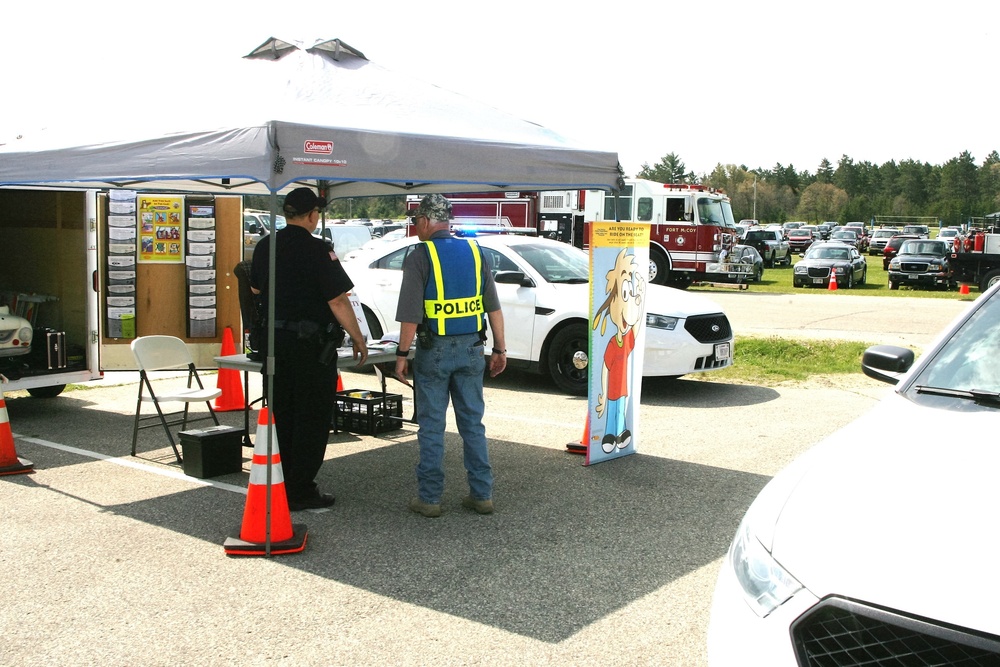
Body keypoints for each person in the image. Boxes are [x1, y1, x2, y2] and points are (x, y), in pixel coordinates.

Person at [250, 187, 368, 511]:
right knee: (311, 418)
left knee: (282, 415)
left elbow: (255, 289)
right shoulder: (318, 250)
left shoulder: (265, 246)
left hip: (275, 346)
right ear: (313, 215)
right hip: (310, 349)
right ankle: (300, 489)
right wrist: (358, 337)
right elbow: (338, 299)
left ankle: (281, 482)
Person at [394, 194, 507, 518]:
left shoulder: (419, 256)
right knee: (473, 424)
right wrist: (500, 349)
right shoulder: (475, 251)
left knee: (432, 426)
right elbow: (493, 307)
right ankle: (482, 495)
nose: (416, 227)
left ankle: (430, 499)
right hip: (472, 348)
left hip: (434, 351)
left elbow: (411, 315)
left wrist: (401, 355)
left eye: (416, 221)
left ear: (426, 221)